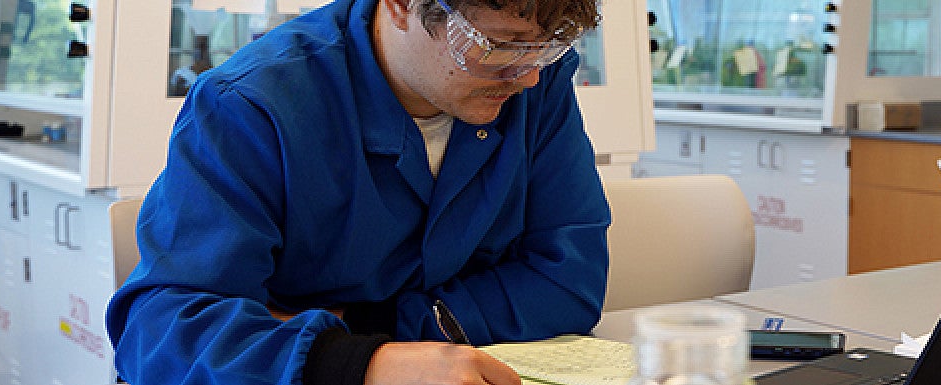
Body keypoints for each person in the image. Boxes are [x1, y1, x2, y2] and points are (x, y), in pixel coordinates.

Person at [105, 0, 608, 383]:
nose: (527, 75)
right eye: (497, 45)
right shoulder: (251, 104)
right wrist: (359, 363)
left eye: (546, 46)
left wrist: (375, 323)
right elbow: (159, 329)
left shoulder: (539, 86)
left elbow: (568, 282)